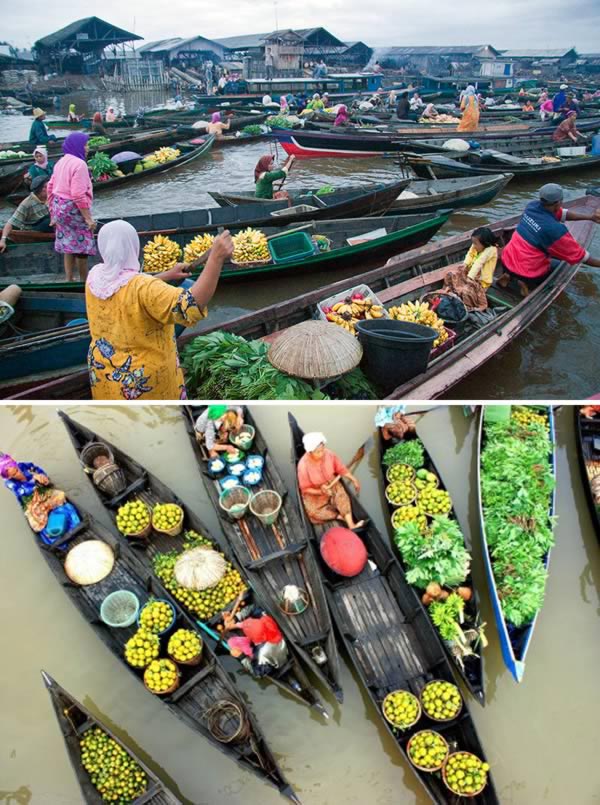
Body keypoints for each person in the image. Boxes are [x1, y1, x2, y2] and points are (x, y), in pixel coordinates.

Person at [85, 221, 234, 400]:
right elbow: (190, 305)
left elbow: (125, 286)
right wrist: (215, 259)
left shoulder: (95, 276)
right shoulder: (144, 288)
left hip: (104, 373)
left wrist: (166, 275)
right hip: (142, 384)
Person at [498, 183, 600, 297]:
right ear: (558, 203)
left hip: (506, 259)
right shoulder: (555, 230)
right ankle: (526, 284)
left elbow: (562, 214)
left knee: (531, 248)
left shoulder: (531, 206)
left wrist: (590, 217)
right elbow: (581, 257)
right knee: (560, 264)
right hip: (527, 273)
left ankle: (508, 275)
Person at [47, 132, 96, 283]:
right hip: (72, 208)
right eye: (85, 145)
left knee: (68, 244)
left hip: (59, 206)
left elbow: (50, 187)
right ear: (77, 146)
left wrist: (52, 214)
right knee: (82, 247)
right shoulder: (79, 164)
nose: (87, 148)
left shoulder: (61, 162)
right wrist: (88, 219)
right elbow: (78, 195)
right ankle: (84, 281)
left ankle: (69, 279)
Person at [297, 432, 364, 530]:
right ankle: (339, 517)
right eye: (318, 452)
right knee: (313, 513)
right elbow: (305, 489)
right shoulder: (303, 466)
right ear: (310, 452)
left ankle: (351, 525)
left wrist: (354, 479)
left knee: (342, 496)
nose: (322, 453)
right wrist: (320, 491)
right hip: (314, 491)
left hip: (330, 482)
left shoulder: (329, 454)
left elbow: (341, 469)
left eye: (322, 449)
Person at [443, 226, 499, 309]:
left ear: (485, 243)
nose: (474, 245)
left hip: (481, 281)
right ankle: (449, 292)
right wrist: (465, 264)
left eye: (476, 243)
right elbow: (470, 254)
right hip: (470, 273)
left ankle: (467, 306)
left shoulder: (491, 250)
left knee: (466, 291)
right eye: (473, 243)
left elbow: (479, 262)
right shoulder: (475, 246)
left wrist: (470, 277)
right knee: (450, 274)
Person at [0, 176, 53, 251]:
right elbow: (11, 222)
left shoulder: (50, 197)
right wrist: (3, 240)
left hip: (48, 221)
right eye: (47, 187)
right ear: (41, 189)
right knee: (48, 221)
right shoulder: (27, 203)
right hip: (34, 227)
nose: (51, 189)